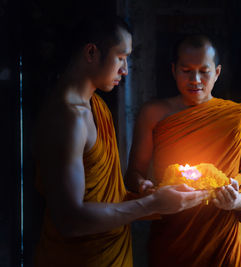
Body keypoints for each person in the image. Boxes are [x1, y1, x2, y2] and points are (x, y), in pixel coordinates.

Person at [33, 16, 208, 267]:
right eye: (121, 57)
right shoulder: (68, 117)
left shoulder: (96, 106)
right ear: (92, 52)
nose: (125, 70)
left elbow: (104, 199)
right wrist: (150, 204)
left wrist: (157, 198)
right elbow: (70, 220)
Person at [125, 35, 241, 266]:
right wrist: (144, 187)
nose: (195, 79)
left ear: (217, 72)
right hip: (172, 238)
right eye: (186, 70)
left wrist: (236, 201)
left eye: (204, 71)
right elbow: (133, 174)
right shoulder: (153, 113)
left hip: (222, 240)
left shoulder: (240, 117)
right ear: (174, 70)